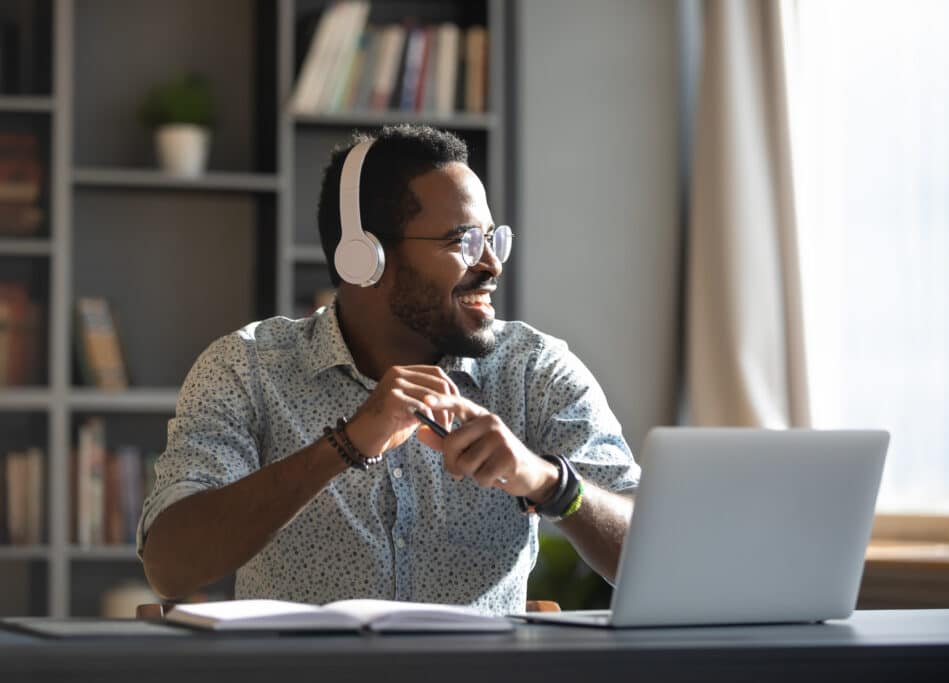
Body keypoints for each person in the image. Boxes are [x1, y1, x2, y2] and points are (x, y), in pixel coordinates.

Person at [137, 125, 640, 615]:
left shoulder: (534, 369)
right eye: (463, 241)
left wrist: (551, 483)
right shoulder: (248, 367)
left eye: (492, 239)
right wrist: (345, 445)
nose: (491, 264)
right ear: (366, 258)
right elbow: (170, 564)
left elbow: (655, 549)